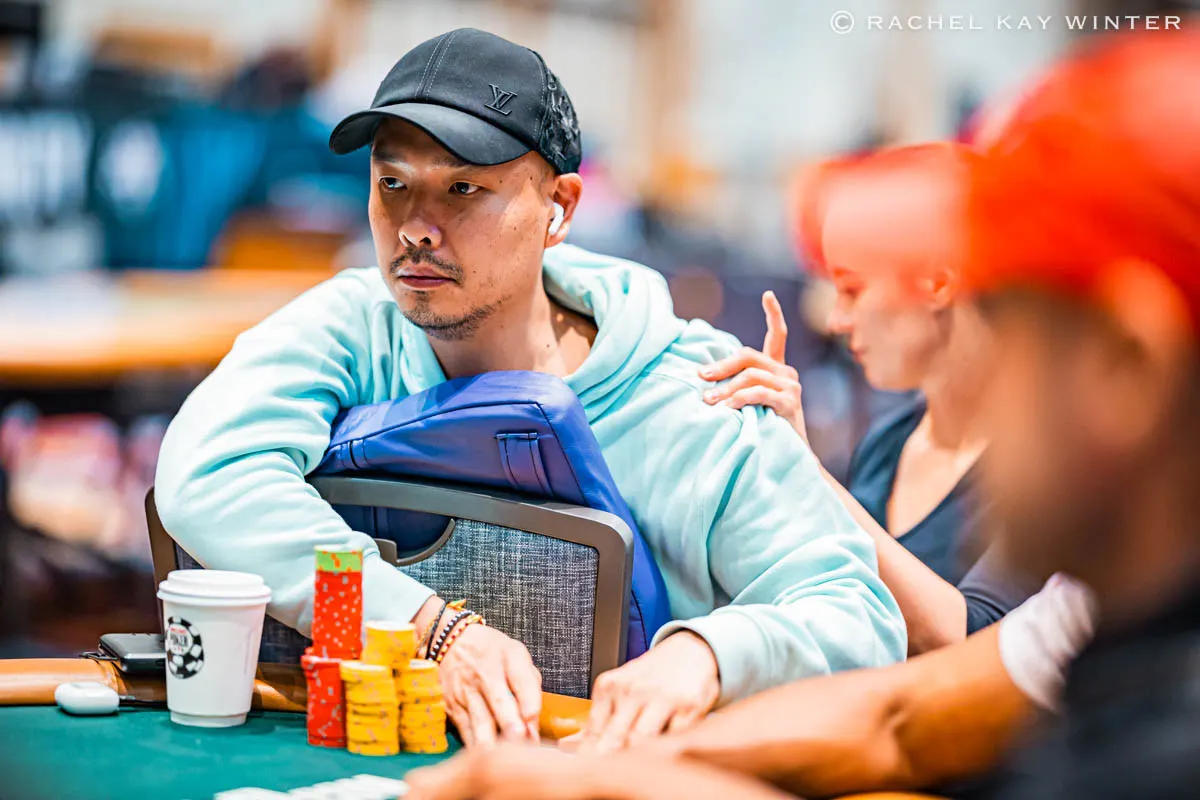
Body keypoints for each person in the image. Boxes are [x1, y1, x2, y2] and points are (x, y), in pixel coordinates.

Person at [412, 25, 1200, 800]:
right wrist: (595, 770)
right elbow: (896, 720)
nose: (987, 378)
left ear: (1127, 364)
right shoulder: (1082, 617)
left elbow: (919, 652)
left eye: (1009, 332)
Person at [154, 28, 905, 751]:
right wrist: (427, 628)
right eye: (393, 184)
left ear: (561, 208)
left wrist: (707, 655)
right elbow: (207, 473)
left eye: (463, 188)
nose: (416, 228)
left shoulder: (696, 395)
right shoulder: (355, 325)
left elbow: (859, 617)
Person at [701, 144, 1037, 654]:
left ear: (939, 282)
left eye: (852, 290)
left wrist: (807, 470)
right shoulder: (886, 445)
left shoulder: (1040, 461)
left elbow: (975, 643)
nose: (836, 320)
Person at [405, 573, 1096, 799]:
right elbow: (896, 719)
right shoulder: (1086, 605)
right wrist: (614, 760)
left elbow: (883, 621)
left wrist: (605, 784)